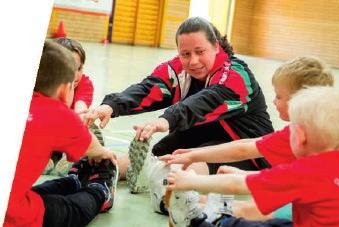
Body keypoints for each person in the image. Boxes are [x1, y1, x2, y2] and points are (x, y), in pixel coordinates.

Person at [86, 17, 273, 182]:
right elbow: (148, 89)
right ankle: (102, 168)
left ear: (216, 47)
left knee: (176, 168)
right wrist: (110, 106)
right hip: (200, 136)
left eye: (200, 52)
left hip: (247, 151)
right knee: (154, 156)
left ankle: (161, 178)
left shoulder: (237, 75)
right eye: (185, 54)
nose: (193, 61)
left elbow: (203, 103)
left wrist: (164, 120)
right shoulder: (178, 70)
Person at [166, 86, 339, 227]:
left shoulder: (307, 171)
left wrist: (192, 180)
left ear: (299, 136)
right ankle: (219, 210)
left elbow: (237, 186)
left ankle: (205, 221)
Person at [161, 56, 334, 220]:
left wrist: (193, 180)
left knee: (253, 210)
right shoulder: (327, 133)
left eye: (279, 96)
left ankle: (203, 214)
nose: (274, 101)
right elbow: (251, 147)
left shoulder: (301, 136)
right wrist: (195, 153)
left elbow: (242, 158)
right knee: (259, 205)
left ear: (299, 101)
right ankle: (202, 205)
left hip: (316, 215)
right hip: (315, 203)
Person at [4, 40, 118, 227]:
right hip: (12, 216)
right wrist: (103, 154)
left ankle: (72, 181)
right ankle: (101, 190)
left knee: (29, 194)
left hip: (14, 196)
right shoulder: (58, 113)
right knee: (72, 209)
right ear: (66, 90)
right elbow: (92, 145)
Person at [43, 37, 105, 176]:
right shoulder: (44, 83)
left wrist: (82, 118)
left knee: (81, 121)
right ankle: (43, 156)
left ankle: (72, 156)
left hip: (67, 133)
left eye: (79, 68)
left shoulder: (85, 83)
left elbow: (81, 107)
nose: (75, 74)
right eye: (69, 67)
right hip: (44, 132)